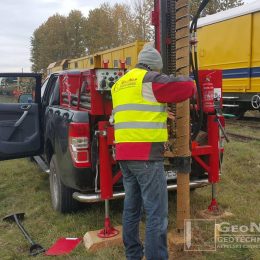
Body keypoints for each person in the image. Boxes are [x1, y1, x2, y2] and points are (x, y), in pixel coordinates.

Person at [111, 43, 195, 260]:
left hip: (124, 154)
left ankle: (133, 255)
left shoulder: (119, 84)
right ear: (153, 67)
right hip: (146, 156)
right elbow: (186, 88)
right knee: (157, 213)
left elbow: (135, 110)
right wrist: (190, 78)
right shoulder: (149, 80)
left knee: (132, 208)